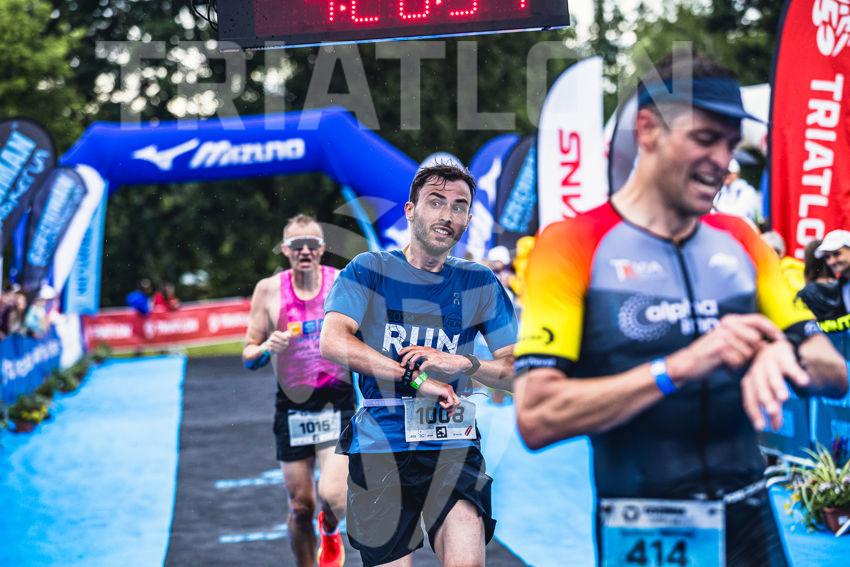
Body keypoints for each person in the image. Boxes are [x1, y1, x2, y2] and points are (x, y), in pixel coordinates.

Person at [513, 53, 848, 567]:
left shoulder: (740, 239)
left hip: (751, 520)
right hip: (647, 529)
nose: (723, 160)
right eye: (705, 138)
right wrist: (682, 366)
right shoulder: (572, 244)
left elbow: (834, 373)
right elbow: (536, 416)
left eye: (731, 144)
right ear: (648, 129)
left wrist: (773, 346)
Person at [320, 163, 517, 567]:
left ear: (468, 220)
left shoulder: (479, 282)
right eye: (436, 202)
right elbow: (333, 341)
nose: (447, 215)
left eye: (459, 206)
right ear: (410, 210)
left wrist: (463, 362)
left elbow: (518, 371)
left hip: (453, 444)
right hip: (381, 446)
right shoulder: (369, 270)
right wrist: (415, 378)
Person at [242, 214, 352, 567]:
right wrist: (265, 349)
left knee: (334, 498)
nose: (305, 251)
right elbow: (248, 355)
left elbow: (367, 332)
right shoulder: (268, 290)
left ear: (322, 249)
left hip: (336, 401)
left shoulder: (342, 282)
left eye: (312, 245)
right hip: (292, 406)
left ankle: (330, 530)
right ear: (285, 250)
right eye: (297, 245)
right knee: (301, 507)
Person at [712, 158, 762, 224]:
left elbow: (739, 214)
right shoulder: (721, 191)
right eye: (723, 172)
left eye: (729, 173)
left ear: (737, 174)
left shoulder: (747, 191)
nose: (725, 175)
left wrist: (716, 207)